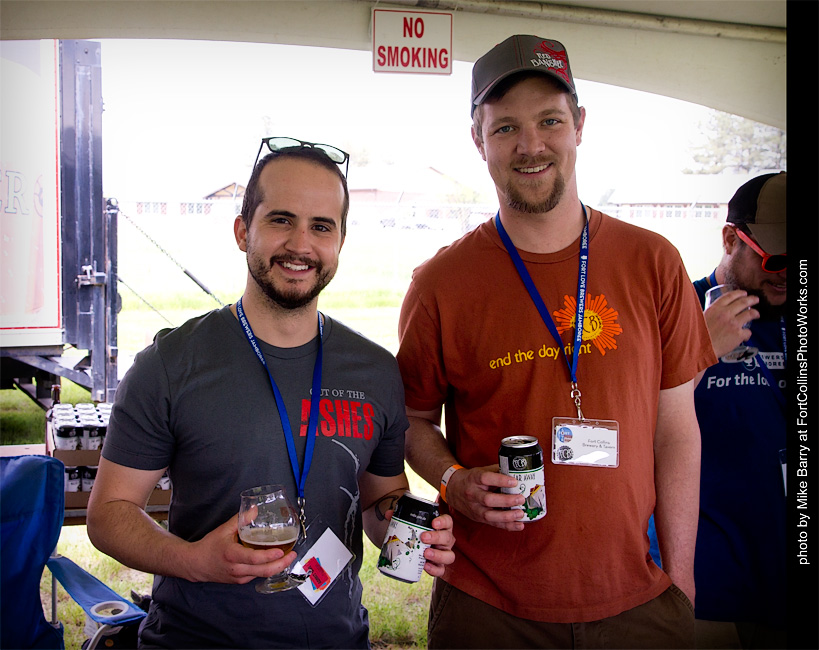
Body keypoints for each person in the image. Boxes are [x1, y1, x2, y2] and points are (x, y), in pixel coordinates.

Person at [396, 34, 716, 649]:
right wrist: (452, 478)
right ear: (478, 139)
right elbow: (411, 420)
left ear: (579, 126)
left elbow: (677, 430)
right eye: (506, 128)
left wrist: (681, 583)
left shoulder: (653, 262)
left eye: (550, 121)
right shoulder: (440, 283)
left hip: (638, 601)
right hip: (487, 606)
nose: (531, 145)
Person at [87, 139, 454, 649]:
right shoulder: (170, 365)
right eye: (282, 220)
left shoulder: (374, 370)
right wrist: (193, 560)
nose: (301, 244)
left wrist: (410, 529)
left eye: (321, 226)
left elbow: (378, 501)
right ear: (243, 231)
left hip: (338, 640)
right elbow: (108, 514)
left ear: (340, 241)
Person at [692, 172, 787, 649]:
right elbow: (623, 420)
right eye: (777, 260)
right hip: (708, 583)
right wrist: (699, 350)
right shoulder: (675, 309)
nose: (790, 276)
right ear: (731, 239)